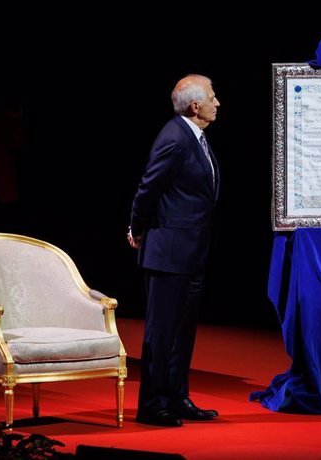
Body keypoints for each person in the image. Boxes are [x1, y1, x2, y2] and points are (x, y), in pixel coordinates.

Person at [127, 74, 221, 427]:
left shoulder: (195, 138)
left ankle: (177, 398)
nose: (218, 103)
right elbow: (147, 189)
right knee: (162, 333)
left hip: (192, 253)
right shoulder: (175, 138)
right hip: (168, 254)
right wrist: (137, 230)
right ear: (195, 105)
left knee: (183, 333)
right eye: (213, 97)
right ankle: (152, 404)